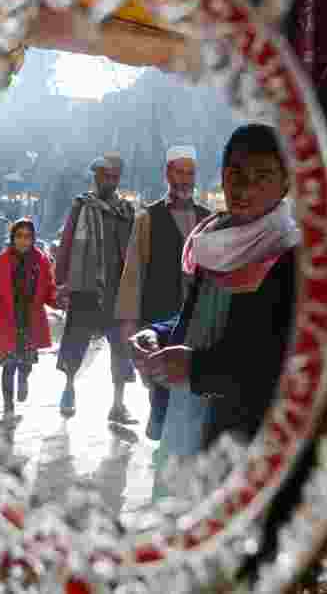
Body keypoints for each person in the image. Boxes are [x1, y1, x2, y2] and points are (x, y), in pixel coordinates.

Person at [130, 124, 315, 577]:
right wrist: (159, 333)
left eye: (262, 175)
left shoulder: (291, 259)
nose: (245, 187)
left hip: (237, 436)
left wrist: (193, 367)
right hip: (186, 416)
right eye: (235, 173)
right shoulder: (212, 238)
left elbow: (269, 366)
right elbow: (196, 320)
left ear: (287, 183)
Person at [116, 144, 211, 442]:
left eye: (190, 173)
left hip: (197, 319)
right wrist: (129, 322)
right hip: (157, 318)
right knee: (160, 389)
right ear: (168, 174)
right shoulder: (148, 218)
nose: (185, 179)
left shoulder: (208, 219)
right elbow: (133, 273)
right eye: (179, 172)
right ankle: (161, 431)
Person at [54, 153, 137, 423]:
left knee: (122, 348)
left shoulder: (127, 211)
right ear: (95, 177)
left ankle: (118, 404)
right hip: (85, 287)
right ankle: (68, 388)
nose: (108, 181)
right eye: (103, 176)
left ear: (118, 179)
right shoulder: (81, 206)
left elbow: (134, 251)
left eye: (113, 177)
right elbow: (67, 242)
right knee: (75, 339)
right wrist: (61, 281)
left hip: (118, 290)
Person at [0, 219, 60, 423]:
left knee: (26, 365)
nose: (23, 240)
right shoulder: (2, 261)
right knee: (7, 367)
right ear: (13, 238)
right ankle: (8, 406)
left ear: (33, 239)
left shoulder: (41, 261)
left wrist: (61, 301)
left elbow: (49, 293)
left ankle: (24, 378)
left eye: (27, 236)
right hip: (7, 323)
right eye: (19, 236)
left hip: (31, 324)